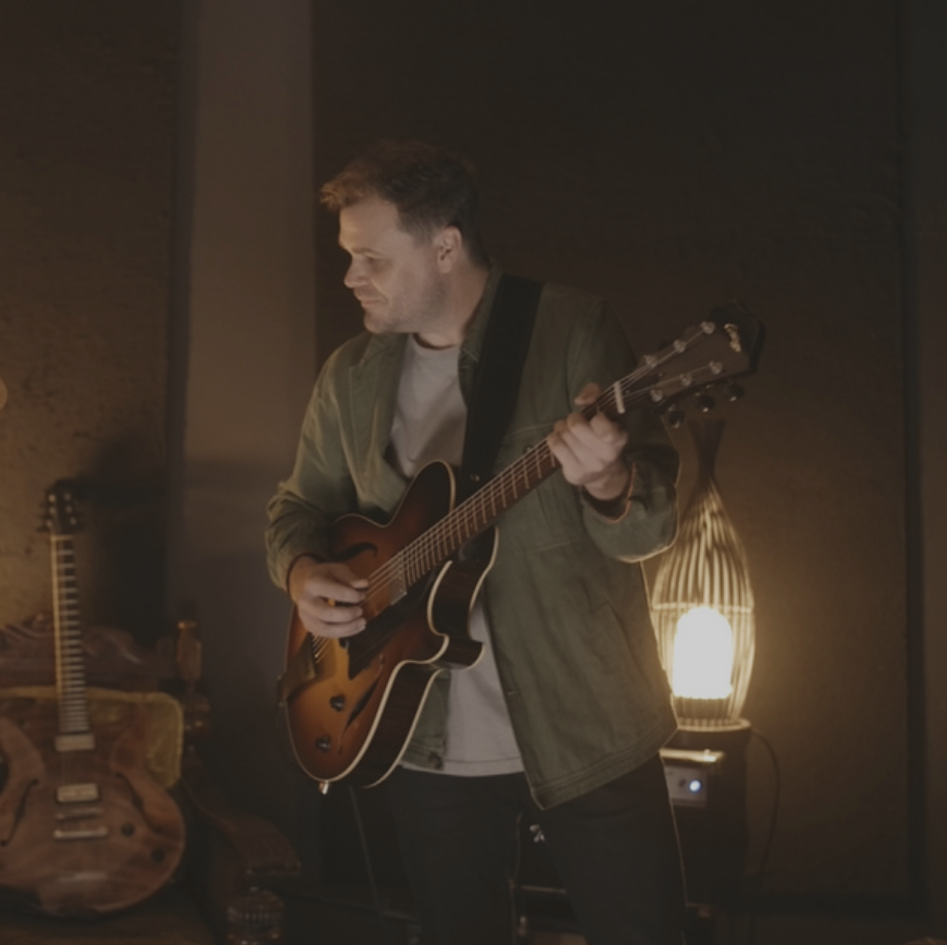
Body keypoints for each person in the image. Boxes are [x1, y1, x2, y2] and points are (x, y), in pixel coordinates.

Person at [265, 141, 686, 945]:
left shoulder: (572, 328)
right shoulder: (350, 375)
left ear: (445, 246)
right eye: (350, 257)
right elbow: (297, 508)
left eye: (372, 259)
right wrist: (301, 571)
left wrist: (608, 481)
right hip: (422, 736)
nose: (351, 277)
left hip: (585, 720)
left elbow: (651, 527)